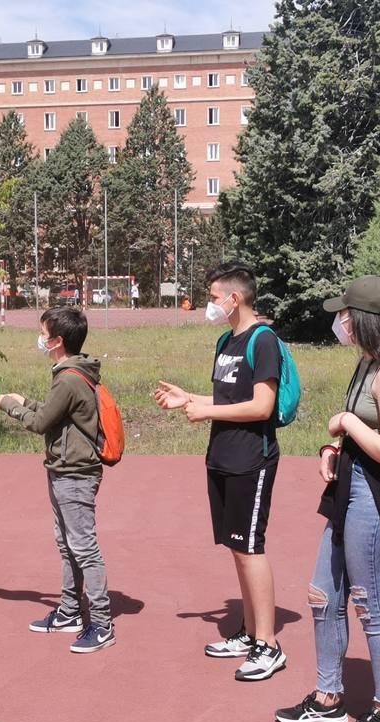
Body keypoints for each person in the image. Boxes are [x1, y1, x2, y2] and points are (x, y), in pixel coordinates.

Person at [275, 275, 380, 722]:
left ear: (363, 320)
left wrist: (347, 423)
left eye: (345, 315)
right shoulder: (368, 364)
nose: (340, 323)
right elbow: (364, 437)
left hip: (378, 496)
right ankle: (327, 698)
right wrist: (333, 447)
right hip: (351, 485)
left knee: (370, 605)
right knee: (323, 594)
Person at [154, 262, 287, 681]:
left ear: (235, 298)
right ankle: (249, 632)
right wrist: (188, 397)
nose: (209, 304)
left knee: (251, 547)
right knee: (237, 547)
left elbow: (262, 406)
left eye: (213, 297)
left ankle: (269, 645)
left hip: (252, 458)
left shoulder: (263, 340)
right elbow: (230, 395)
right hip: (222, 456)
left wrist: (207, 410)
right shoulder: (226, 341)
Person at [0, 306, 115, 653]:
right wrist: (22, 400)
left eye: (44, 334)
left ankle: (102, 624)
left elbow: (40, 422)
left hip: (75, 473)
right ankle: (71, 611)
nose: (40, 339)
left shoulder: (70, 377)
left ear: (57, 341)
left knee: (84, 547)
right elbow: (54, 412)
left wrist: (8, 406)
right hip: (64, 469)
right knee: (67, 543)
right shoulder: (71, 373)